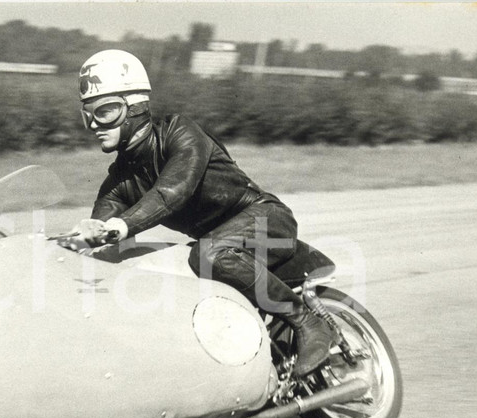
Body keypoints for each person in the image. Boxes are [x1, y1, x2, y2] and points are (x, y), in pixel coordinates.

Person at [71, 49, 335, 377]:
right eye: (88, 114)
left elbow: (173, 191)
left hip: (266, 219)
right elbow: (98, 232)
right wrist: (75, 242)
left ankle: (307, 322)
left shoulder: (180, 133)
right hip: (218, 246)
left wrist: (123, 225)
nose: (95, 124)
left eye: (106, 111)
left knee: (207, 253)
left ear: (136, 107)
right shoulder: (118, 182)